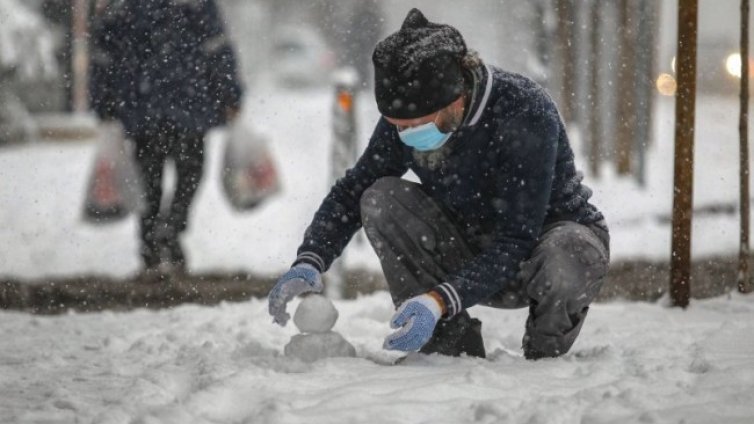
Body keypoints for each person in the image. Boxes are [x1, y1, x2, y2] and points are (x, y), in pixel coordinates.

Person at [268, 8, 609, 360]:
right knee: (380, 199)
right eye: (398, 125)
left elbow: (516, 238)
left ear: (456, 97)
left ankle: (543, 360)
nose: (407, 135)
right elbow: (354, 190)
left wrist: (439, 300)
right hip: (467, 250)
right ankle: (447, 350)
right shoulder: (408, 115)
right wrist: (311, 257)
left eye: (418, 124)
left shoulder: (524, 111)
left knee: (569, 254)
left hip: (538, 252)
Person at [89, 0, 243, 276]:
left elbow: (103, 53)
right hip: (188, 101)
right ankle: (171, 228)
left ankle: (151, 248)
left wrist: (103, 101)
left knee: (149, 177)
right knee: (190, 172)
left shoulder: (121, 6)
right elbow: (217, 46)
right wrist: (230, 92)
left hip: (144, 103)